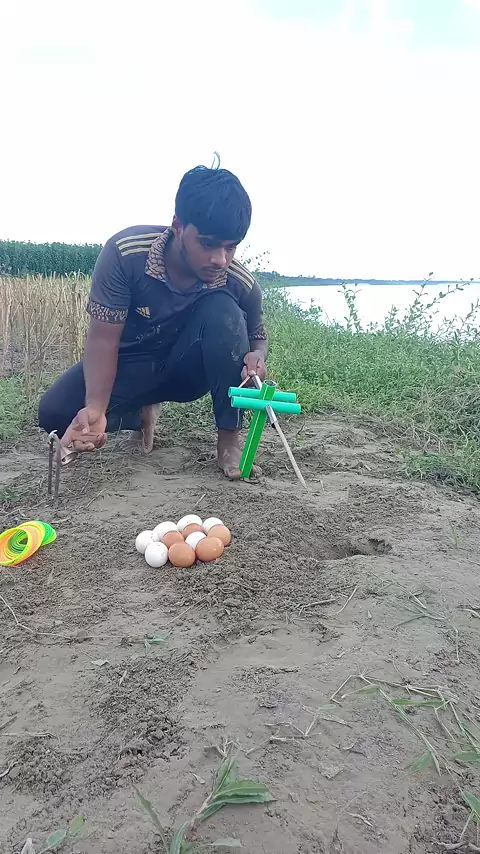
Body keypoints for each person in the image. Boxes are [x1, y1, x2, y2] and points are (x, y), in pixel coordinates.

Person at [38, 165, 268, 479]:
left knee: (224, 310)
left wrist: (258, 357)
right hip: (131, 364)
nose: (220, 259)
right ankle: (139, 416)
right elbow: (103, 340)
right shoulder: (125, 255)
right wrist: (95, 407)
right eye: (207, 243)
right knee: (54, 413)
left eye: (230, 247)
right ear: (178, 226)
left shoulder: (239, 282)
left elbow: (258, 336)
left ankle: (229, 441)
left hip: (187, 372)